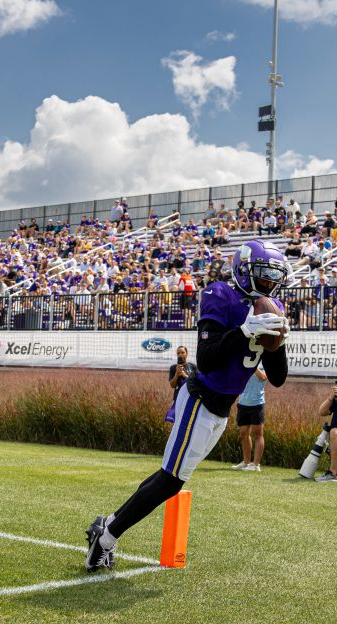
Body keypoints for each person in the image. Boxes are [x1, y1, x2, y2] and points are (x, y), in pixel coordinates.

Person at [85, 241, 291, 572]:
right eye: (262, 276)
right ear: (243, 270)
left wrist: (279, 340)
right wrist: (243, 331)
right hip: (199, 397)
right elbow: (207, 360)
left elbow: (278, 377)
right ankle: (106, 538)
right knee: (171, 480)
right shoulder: (220, 294)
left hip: (222, 411)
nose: (269, 285)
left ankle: (106, 526)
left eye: (273, 278)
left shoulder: (272, 306)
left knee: (170, 477)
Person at [232, 366, 268, 471]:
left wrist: (253, 366)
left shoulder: (264, 363)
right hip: (242, 403)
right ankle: (246, 462)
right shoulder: (245, 362)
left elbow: (263, 377)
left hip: (257, 403)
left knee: (258, 434)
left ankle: (256, 465)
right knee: (243, 433)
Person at [164, 346, 198, 425]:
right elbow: (172, 385)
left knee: (189, 423)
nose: (180, 355)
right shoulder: (173, 368)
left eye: (182, 352)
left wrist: (184, 375)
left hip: (190, 398)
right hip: (177, 399)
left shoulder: (193, 367)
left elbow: (196, 383)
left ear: (187, 354)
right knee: (176, 423)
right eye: (178, 353)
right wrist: (176, 373)